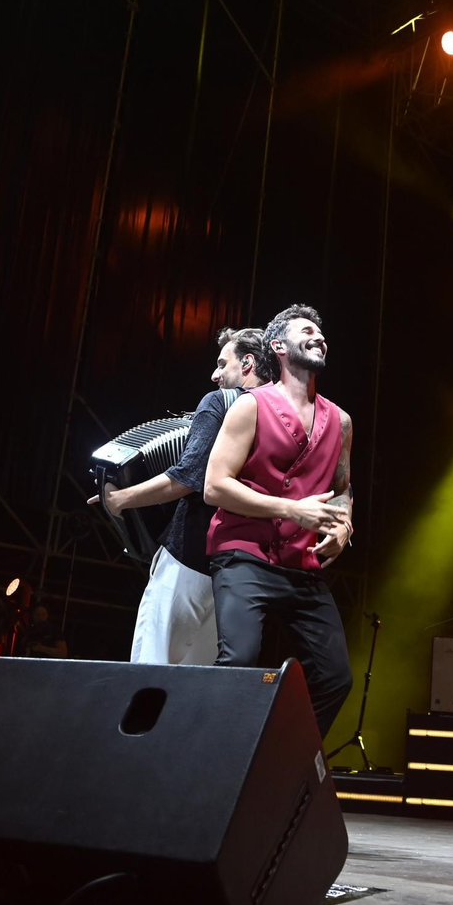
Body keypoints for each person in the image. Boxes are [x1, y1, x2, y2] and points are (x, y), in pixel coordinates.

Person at [204, 304, 354, 734]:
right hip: (244, 553)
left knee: (335, 678)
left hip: (300, 565)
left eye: (321, 331)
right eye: (307, 330)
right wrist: (291, 508)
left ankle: (280, 757)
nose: (319, 336)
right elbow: (215, 486)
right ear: (278, 346)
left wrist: (343, 526)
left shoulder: (340, 422)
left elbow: (343, 488)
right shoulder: (251, 406)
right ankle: (216, 761)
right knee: (238, 660)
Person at [92, 328, 270, 665]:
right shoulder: (283, 419)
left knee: (150, 668)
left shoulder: (219, 403)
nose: (215, 374)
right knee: (194, 685)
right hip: (235, 574)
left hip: (187, 560)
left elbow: (189, 477)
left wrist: (120, 499)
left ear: (247, 363)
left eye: (222, 363)